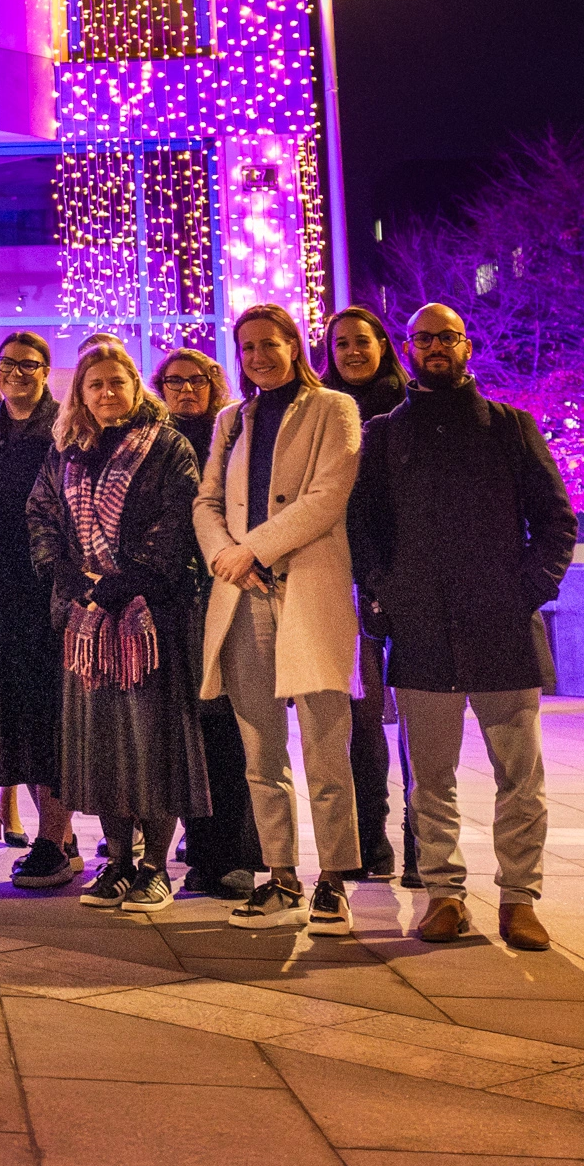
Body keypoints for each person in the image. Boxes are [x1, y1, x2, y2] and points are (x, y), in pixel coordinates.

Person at [349, 303, 576, 952]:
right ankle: (445, 895)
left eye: (446, 337)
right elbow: (363, 528)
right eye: (424, 339)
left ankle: (519, 899)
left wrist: (527, 591)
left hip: (502, 630)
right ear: (411, 349)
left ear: (466, 346)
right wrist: (386, 597)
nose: (435, 347)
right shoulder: (388, 435)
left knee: (520, 774)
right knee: (429, 778)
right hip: (421, 633)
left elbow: (557, 521)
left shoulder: (510, 428)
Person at [195, 303, 365, 934]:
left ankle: (334, 881)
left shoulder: (333, 409)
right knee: (260, 753)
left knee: (326, 748)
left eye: (270, 343)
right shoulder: (231, 420)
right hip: (242, 596)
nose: (259, 356)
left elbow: (327, 496)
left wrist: (253, 548)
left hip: (309, 590)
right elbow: (208, 499)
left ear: (295, 345)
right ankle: (281, 877)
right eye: (247, 348)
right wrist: (223, 555)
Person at [31, 343, 210, 916]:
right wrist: (70, 576)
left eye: (117, 382)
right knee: (102, 745)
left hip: (146, 616)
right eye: (95, 385)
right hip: (84, 620)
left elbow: (178, 519)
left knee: (152, 741)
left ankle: (155, 867)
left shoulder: (168, 446)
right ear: (80, 394)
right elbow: (40, 516)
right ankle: (120, 862)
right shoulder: (66, 450)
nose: (107, 393)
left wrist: (125, 581)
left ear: (136, 386)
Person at [0, 331, 80, 889]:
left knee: (51, 717)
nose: (16, 372)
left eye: (28, 364)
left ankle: (55, 837)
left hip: (51, 589)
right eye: (7, 364)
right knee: (20, 717)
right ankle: (55, 837)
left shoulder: (64, 432)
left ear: (46, 370)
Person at [156, 347, 256, 899]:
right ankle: (204, 849)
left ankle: (238, 853)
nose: (186, 390)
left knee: (232, 729)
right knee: (192, 727)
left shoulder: (235, 432)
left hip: (230, 586)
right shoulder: (153, 440)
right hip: (175, 601)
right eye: (175, 381)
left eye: (197, 380)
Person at [319, 306, 408, 881]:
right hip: (344, 578)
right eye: (340, 343)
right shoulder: (323, 410)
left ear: (381, 344)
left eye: (361, 341)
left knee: (423, 720)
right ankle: (368, 837)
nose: (351, 351)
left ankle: (419, 840)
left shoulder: (408, 404)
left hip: (406, 577)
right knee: (360, 717)